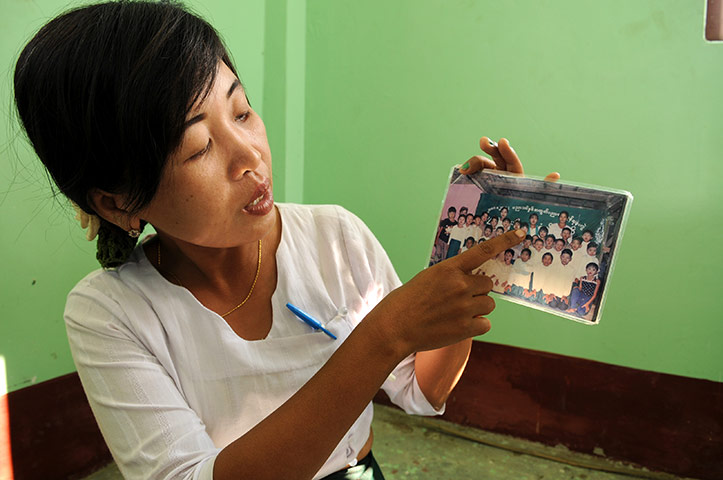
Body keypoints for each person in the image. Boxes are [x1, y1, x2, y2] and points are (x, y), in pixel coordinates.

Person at [14, 3, 559, 479]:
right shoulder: (110, 313)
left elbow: (423, 391)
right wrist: (382, 334)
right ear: (117, 202)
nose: (250, 155)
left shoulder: (335, 236)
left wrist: (461, 271)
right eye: (200, 147)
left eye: (243, 110)